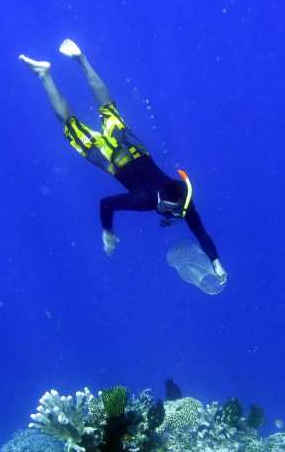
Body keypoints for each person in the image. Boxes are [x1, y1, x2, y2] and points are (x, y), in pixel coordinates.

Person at [19, 39, 227, 286]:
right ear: (166, 201)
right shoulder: (147, 202)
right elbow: (106, 204)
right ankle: (45, 76)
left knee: (108, 108)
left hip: (132, 147)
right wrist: (107, 232)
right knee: (70, 124)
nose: (172, 216)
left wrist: (217, 263)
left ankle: (81, 59)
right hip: (108, 157)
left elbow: (200, 234)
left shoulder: (183, 202)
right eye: (171, 211)